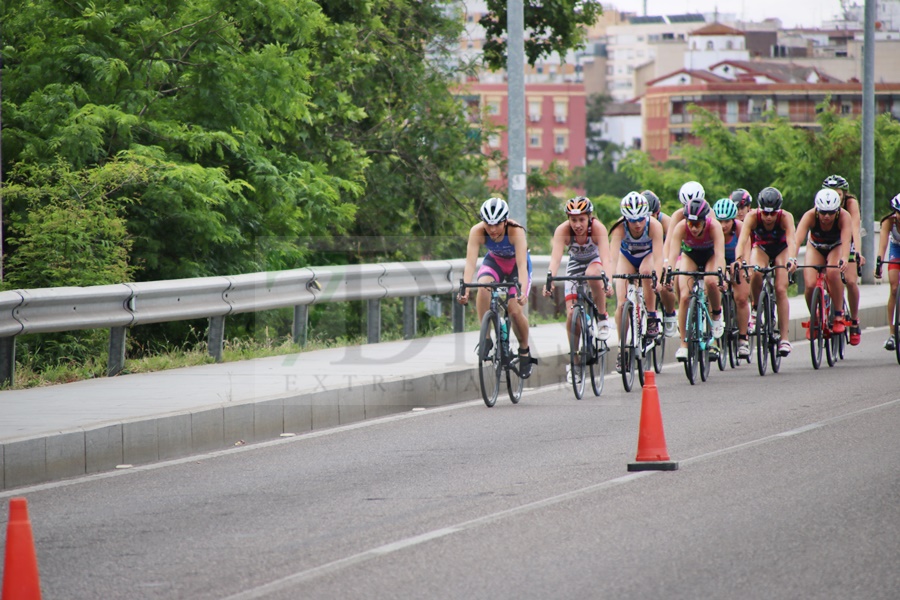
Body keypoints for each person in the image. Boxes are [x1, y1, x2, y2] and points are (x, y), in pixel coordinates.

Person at [458, 198, 534, 377]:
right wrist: (465, 289)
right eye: (488, 224)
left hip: (516, 265)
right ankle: (486, 338)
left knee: (514, 310)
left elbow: (522, 265)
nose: (492, 230)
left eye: (497, 224)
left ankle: (524, 351)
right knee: (483, 285)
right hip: (496, 262)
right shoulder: (477, 231)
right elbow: (470, 263)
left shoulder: (516, 231)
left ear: (506, 221)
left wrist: (522, 292)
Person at [545, 196, 613, 383]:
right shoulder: (563, 231)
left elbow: (606, 259)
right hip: (575, 264)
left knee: (592, 273)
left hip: (595, 261)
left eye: (581, 219)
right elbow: (556, 260)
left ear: (589, 218)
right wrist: (549, 279)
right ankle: (574, 360)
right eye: (573, 220)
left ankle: (601, 316)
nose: (577, 225)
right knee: (571, 315)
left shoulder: (597, 229)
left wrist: (608, 281)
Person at [735, 186, 798, 356]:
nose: (769, 218)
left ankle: (784, 338)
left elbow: (792, 240)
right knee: (756, 271)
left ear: (778, 210)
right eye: (765, 213)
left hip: (781, 249)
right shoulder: (751, 217)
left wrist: (792, 259)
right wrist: (740, 260)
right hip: (762, 248)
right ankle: (756, 307)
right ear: (759, 210)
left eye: (772, 214)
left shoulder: (785, 217)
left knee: (780, 289)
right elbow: (742, 241)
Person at [608, 192, 665, 372]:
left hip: (647, 256)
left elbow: (658, 257)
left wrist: (659, 278)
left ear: (646, 215)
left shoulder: (654, 226)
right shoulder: (619, 228)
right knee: (621, 303)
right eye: (633, 220)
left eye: (641, 219)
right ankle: (622, 348)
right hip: (627, 257)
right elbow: (612, 259)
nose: (638, 224)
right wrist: (608, 281)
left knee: (647, 272)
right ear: (625, 219)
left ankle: (652, 315)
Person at [665, 198, 726, 362]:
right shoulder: (680, 228)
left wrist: (721, 275)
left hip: (709, 256)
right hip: (690, 256)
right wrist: (668, 274)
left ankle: (716, 316)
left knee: (711, 281)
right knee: (684, 296)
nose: (692, 228)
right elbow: (672, 256)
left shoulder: (714, 227)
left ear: (705, 221)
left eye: (697, 224)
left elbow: (720, 255)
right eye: (690, 223)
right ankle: (684, 344)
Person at [794, 188, 852, 336]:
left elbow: (846, 240)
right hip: (816, 246)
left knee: (833, 272)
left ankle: (838, 314)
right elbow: (797, 239)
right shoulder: (810, 216)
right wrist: (792, 258)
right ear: (817, 209)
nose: (827, 216)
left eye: (831, 213)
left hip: (835, 246)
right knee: (810, 284)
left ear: (837, 210)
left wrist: (845, 258)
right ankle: (815, 316)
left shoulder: (844, 217)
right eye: (823, 212)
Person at [822, 174, 864, 345]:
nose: (834, 197)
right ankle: (825, 311)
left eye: (838, 194)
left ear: (844, 195)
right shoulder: (823, 202)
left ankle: (854, 320)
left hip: (849, 241)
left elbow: (854, 228)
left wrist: (857, 252)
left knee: (850, 281)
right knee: (825, 275)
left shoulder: (850, 204)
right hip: (831, 243)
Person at [713, 198, 751, 358]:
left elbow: (746, 251)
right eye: (720, 221)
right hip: (719, 261)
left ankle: (743, 339)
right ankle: (714, 336)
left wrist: (741, 264)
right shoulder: (713, 229)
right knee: (712, 290)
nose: (723, 226)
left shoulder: (740, 228)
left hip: (738, 261)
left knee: (741, 298)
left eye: (727, 221)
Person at [644, 189, 678, 337]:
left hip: (666, 253)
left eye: (652, 216)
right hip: (647, 254)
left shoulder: (667, 222)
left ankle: (670, 313)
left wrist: (666, 265)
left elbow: (672, 247)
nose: (649, 220)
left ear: (658, 213)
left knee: (664, 285)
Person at [875, 193, 900, 350]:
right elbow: (882, 245)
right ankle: (892, 333)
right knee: (894, 287)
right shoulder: (889, 222)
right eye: (898, 212)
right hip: (896, 250)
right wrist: (879, 264)